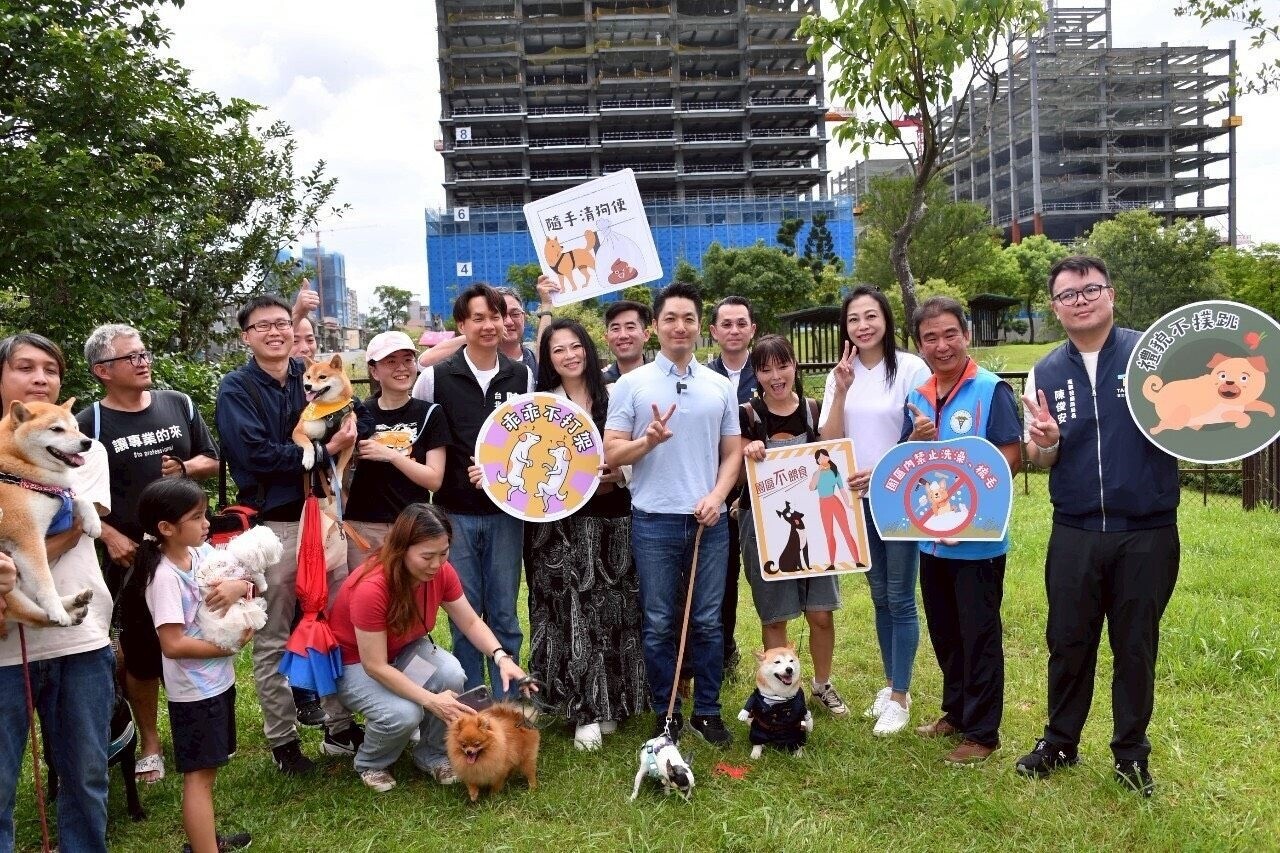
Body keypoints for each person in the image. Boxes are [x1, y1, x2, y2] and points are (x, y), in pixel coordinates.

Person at [1014, 255, 1180, 797]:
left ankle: (1131, 755)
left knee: (1136, 645)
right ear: (1055, 308)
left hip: (1147, 528)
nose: (1080, 300)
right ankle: (1060, 741)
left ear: (1111, 295)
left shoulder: (1153, 354)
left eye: (1091, 289)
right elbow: (1041, 459)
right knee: (1068, 641)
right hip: (1076, 528)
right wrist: (1045, 440)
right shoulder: (1044, 371)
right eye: (1068, 294)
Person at [216, 295, 374, 775]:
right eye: (262, 326)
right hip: (277, 523)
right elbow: (257, 455)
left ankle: (338, 725)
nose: (275, 332)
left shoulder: (306, 379)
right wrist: (328, 448)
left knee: (331, 620)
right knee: (276, 632)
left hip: (324, 516)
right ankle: (283, 740)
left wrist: (339, 438)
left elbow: (357, 416)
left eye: (282, 323)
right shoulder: (237, 389)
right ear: (246, 336)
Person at [78, 323, 220, 785]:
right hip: (129, 555)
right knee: (141, 651)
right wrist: (109, 536)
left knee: (193, 630)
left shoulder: (176, 403)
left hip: (187, 549)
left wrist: (186, 467)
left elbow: (212, 460)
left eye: (143, 353)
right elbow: (73, 493)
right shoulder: (89, 422)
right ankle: (151, 744)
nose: (143, 362)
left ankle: (194, 731)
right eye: (130, 357)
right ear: (103, 370)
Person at [604, 282, 740, 747]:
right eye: (670, 319)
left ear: (699, 327)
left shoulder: (719, 386)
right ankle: (666, 713)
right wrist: (649, 441)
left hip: (709, 522)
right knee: (659, 621)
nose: (680, 326)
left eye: (688, 318)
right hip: (653, 522)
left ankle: (708, 711)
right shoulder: (631, 384)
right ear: (655, 327)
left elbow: (732, 453)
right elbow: (612, 452)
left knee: (707, 620)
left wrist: (718, 496)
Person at [0, 333, 113, 853]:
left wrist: (25, 550)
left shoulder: (84, 451)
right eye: (26, 367)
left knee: (87, 776)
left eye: (51, 368)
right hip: (4, 647)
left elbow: (84, 527)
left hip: (81, 636)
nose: (40, 377)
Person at [329, 503, 532, 792]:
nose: (437, 564)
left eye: (444, 553)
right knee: (402, 714)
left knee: (450, 674)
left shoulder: (441, 573)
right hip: (354, 664)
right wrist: (430, 699)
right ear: (402, 549)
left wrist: (501, 657)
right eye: (427, 556)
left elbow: (471, 622)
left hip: (401, 653)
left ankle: (432, 753)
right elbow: (375, 665)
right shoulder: (372, 588)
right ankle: (372, 762)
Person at [901, 297, 1022, 765]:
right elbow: (908, 461)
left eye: (950, 333)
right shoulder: (919, 394)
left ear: (966, 335)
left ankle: (983, 732)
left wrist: (966, 513)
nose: (941, 344)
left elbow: (1009, 456)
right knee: (946, 631)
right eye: (930, 337)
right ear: (919, 344)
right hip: (930, 538)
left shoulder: (990, 389)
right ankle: (955, 711)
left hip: (976, 541)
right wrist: (915, 442)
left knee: (980, 634)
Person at [525, 319, 647, 751]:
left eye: (576, 346)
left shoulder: (616, 396)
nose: (569, 356)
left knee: (610, 612)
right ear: (549, 359)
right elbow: (520, 463)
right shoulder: (538, 407)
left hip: (611, 519)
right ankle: (581, 709)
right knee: (567, 612)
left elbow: (634, 455)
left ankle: (610, 700)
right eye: (558, 350)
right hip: (557, 527)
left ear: (589, 350)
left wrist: (620, 471)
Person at [411, 284, 534, 695]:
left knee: (503, 613)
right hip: (453, 515)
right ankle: (472, 699)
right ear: (461, 325)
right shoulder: (434, 378)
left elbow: (526, 437)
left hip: (505, 514)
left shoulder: (521, 374)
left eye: (496, 316)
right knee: (462, 612)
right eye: (478, 318)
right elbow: (419, 436)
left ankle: (509, 700)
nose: (489, 325)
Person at [819, 286, 931, 731]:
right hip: (855, 499)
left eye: (870, 316)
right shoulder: (840, 374)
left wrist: (883, 468)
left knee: (902, 596)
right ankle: (890, 683)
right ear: (844, 327)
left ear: (885, 319)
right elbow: (828, 436)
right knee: (880, 594)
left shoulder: (910, 368)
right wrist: (842, 390)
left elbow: (923, 434)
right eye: (853, 319)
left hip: (899, 497)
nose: (863, 326)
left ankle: (901, 697)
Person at [137, 478, 252, 853]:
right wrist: (226, 646)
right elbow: (172, 645)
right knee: (199, 779)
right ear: (166, 528)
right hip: (195, 693)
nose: (207, 524)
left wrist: (240, 586)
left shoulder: (198, 556)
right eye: (197, 517)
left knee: (209, 772)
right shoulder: (165, 577)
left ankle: (205, 841)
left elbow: (236, 579)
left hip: (217, 683)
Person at [737, 335, 845, 708]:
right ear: (756, 374)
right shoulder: (746, 415)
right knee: (776, 616)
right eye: (765, 369)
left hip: (813, 525)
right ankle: (778, 694)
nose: (775, 376)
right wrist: (747, 451)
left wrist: (842, 392)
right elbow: (734, 468)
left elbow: (832, 448)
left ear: (794, 366)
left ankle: (822, 683)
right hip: (766, 530)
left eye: (782, 366)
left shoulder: (813, 410)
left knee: (821, 613)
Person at [344, 331, 447, 568]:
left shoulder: (430, 413)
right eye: (391, 361)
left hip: (412, 527)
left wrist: (390, 454)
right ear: (374, 371)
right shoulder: (357, 413)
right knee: (366, 598)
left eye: (408, 360)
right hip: (363, 527)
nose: (401, 367)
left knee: (410, 601)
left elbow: (434, 479)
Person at [706, 295, 759, 676]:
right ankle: (721, 651)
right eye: (726, 324)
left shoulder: (771, 371)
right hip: (717, 494)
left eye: (741, 323)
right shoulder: (702, 377)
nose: (734, 330)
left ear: (752, 329)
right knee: (720, 579)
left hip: (762, 496)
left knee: (759, 577)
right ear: (713, 332)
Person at [418, 286, 537, 373]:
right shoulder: (469, 361)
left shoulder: (534, 357)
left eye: (515, 314)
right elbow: (423, 362)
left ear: (524, 317)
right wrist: (475, 334)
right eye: (501, 316)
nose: (509, 322)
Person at [807, 448, 862, 566]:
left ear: (828, 457)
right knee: (829, 534)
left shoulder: (835, 472)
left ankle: (857, 561)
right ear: (817, 461)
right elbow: (811, 487)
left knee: (846, 531)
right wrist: (817, 472)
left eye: (824, 456)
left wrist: (848, 504)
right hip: (824, 504)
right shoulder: (817, 474)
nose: (822, 459)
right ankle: (832, 564)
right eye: (819, 458)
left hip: (835, 501)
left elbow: (842, 489)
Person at [602, 300, 653, 383]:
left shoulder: (665, 379)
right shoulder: (598, 386)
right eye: (615, 329)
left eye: (630, 327)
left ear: (646, 335)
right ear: (607, 338)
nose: (623, 335)